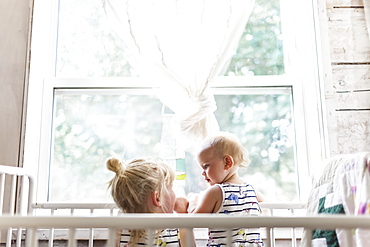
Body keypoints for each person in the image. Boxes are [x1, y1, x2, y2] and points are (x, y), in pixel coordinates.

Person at [184, 132, 265, 247]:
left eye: (206, 166)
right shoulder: (251, 190)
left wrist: (193, 203)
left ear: (227, 162)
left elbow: (193, 222)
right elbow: (267, 207)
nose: (203, 173)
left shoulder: (216, 192)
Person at [106, 157, 192, 247]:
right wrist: (184, 215)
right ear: (157, 198)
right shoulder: (177, 226)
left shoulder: (121, 226)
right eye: (171, 187)